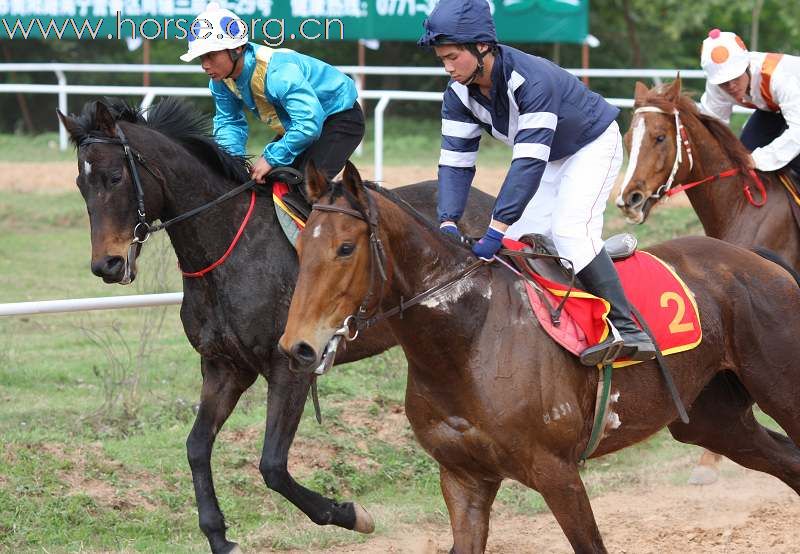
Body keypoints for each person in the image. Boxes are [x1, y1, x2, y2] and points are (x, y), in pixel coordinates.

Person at [418, 0, 655, 365]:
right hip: (548, 155)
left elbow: (527, 163)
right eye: (442, 59)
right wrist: (448, 220)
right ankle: (571, 297)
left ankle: (629, 328)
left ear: (482, 46)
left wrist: (494, 228)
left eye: (452, 57)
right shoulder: (458, 95)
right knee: (521, 244)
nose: (447, 67)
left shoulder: (531, 80)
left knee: (569, 231)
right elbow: (456, 163)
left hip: (591, 144)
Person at [180, 2, 364, 184]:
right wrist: (232, 164)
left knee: (309, 188)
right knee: (265, 184)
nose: (205, 65)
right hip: (298, 125)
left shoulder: (279, 73)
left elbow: (308, 124)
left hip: (340, 119)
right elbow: (229, 122)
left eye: (210, 55)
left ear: (236, 49)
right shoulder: (220, 81)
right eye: (201, 58)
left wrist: (270, 158)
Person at [699, 28, 800, 175]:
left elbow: (798, 131)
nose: (731, 86)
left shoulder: (779, 77)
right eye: (724, 82)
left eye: (735, 78)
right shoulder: (716, 86)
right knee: (745, 151)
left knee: (794, 159)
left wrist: (759, 159)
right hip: (775, 108)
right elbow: (712, 125)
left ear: (747, 66)